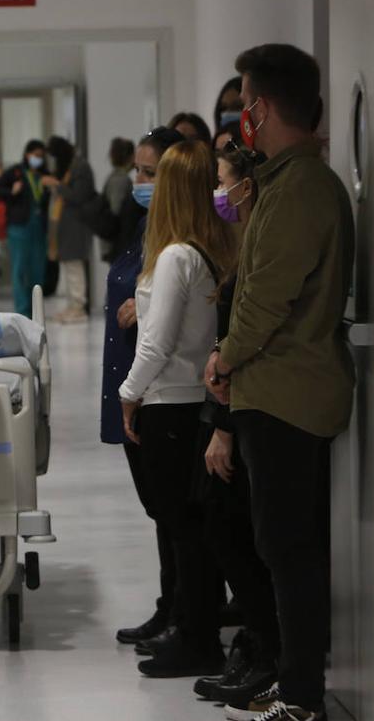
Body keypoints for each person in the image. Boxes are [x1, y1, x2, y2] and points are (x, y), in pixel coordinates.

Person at [206, 43, 355, 721]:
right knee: (278, 543)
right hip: (272, 391)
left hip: (287, 394)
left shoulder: (302, 189)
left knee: (290, 549)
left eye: (244, 104)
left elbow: (268, 295)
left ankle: (300, 696)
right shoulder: (287, 180)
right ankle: (291, 680)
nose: (242, 118)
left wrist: (226, 357)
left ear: (260, 109)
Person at [116, 139, 236, 679]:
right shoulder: (208, 250)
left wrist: (128, 393)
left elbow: (156, 341)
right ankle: (196, 633)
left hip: (168, 405)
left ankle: (196, 638)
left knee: (184, 530)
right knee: (194, 529)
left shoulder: (173, 257)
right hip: (194, 404)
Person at [192, 149, 281, 709]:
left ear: (246, 187)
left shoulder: (260, 246)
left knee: (241, 534)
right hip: (231, 403)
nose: (218, 194)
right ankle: (257, 643)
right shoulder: (241, 243)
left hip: (243, 409)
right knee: (229, 527)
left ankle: (268, 653)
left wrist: (222, 426)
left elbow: (250, 332)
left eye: (223, 183)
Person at [102, 127, 185, 649]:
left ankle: (184, 616)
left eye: (149, 173)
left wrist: (144, 304)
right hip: (133, 384)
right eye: (138, 170)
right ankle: (170, 608)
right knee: (160, 511)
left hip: (156, 392)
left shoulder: (178, 240)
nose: (138, 181)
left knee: (175, 514)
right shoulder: (143, 226)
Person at [39, 136, 96, 323]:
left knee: (74, 267)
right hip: (64, 227)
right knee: (67, 267)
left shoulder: (80, 167)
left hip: (75, 226)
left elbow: (78, 196)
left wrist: (56, 185)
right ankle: (72, 305)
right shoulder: (68, 168)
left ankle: (79, 307)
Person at [0, 141, 49, 317]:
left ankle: (36, 310)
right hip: (19, 227)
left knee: (37, 270)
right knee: (20, 270)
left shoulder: (45, 176)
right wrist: (12, 192)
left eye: (41, 156)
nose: (38, 159)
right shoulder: (16, 172)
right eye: (35, 155)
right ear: (27, 155)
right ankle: (23, 310)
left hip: (38, 227)